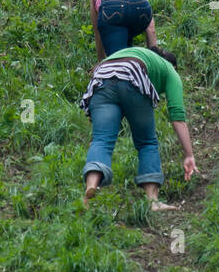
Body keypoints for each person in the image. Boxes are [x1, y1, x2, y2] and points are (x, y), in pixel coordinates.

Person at [80, 45, 198, 210]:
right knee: (147, 142)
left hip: (102, 75)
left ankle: (90, 187)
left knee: (101, 140)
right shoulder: (170, 70)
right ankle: (153, 201)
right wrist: (189, 155)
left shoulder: (140, 54)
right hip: (132, 73)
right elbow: (177, 116)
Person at [90, 0, 159, 59]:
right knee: (125, 40)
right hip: (140, 6)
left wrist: (101, 61)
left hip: (113, 5)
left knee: (118, 59)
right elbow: (151, 29)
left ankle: (120, 64)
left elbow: (97, 31)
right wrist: (155, 57)